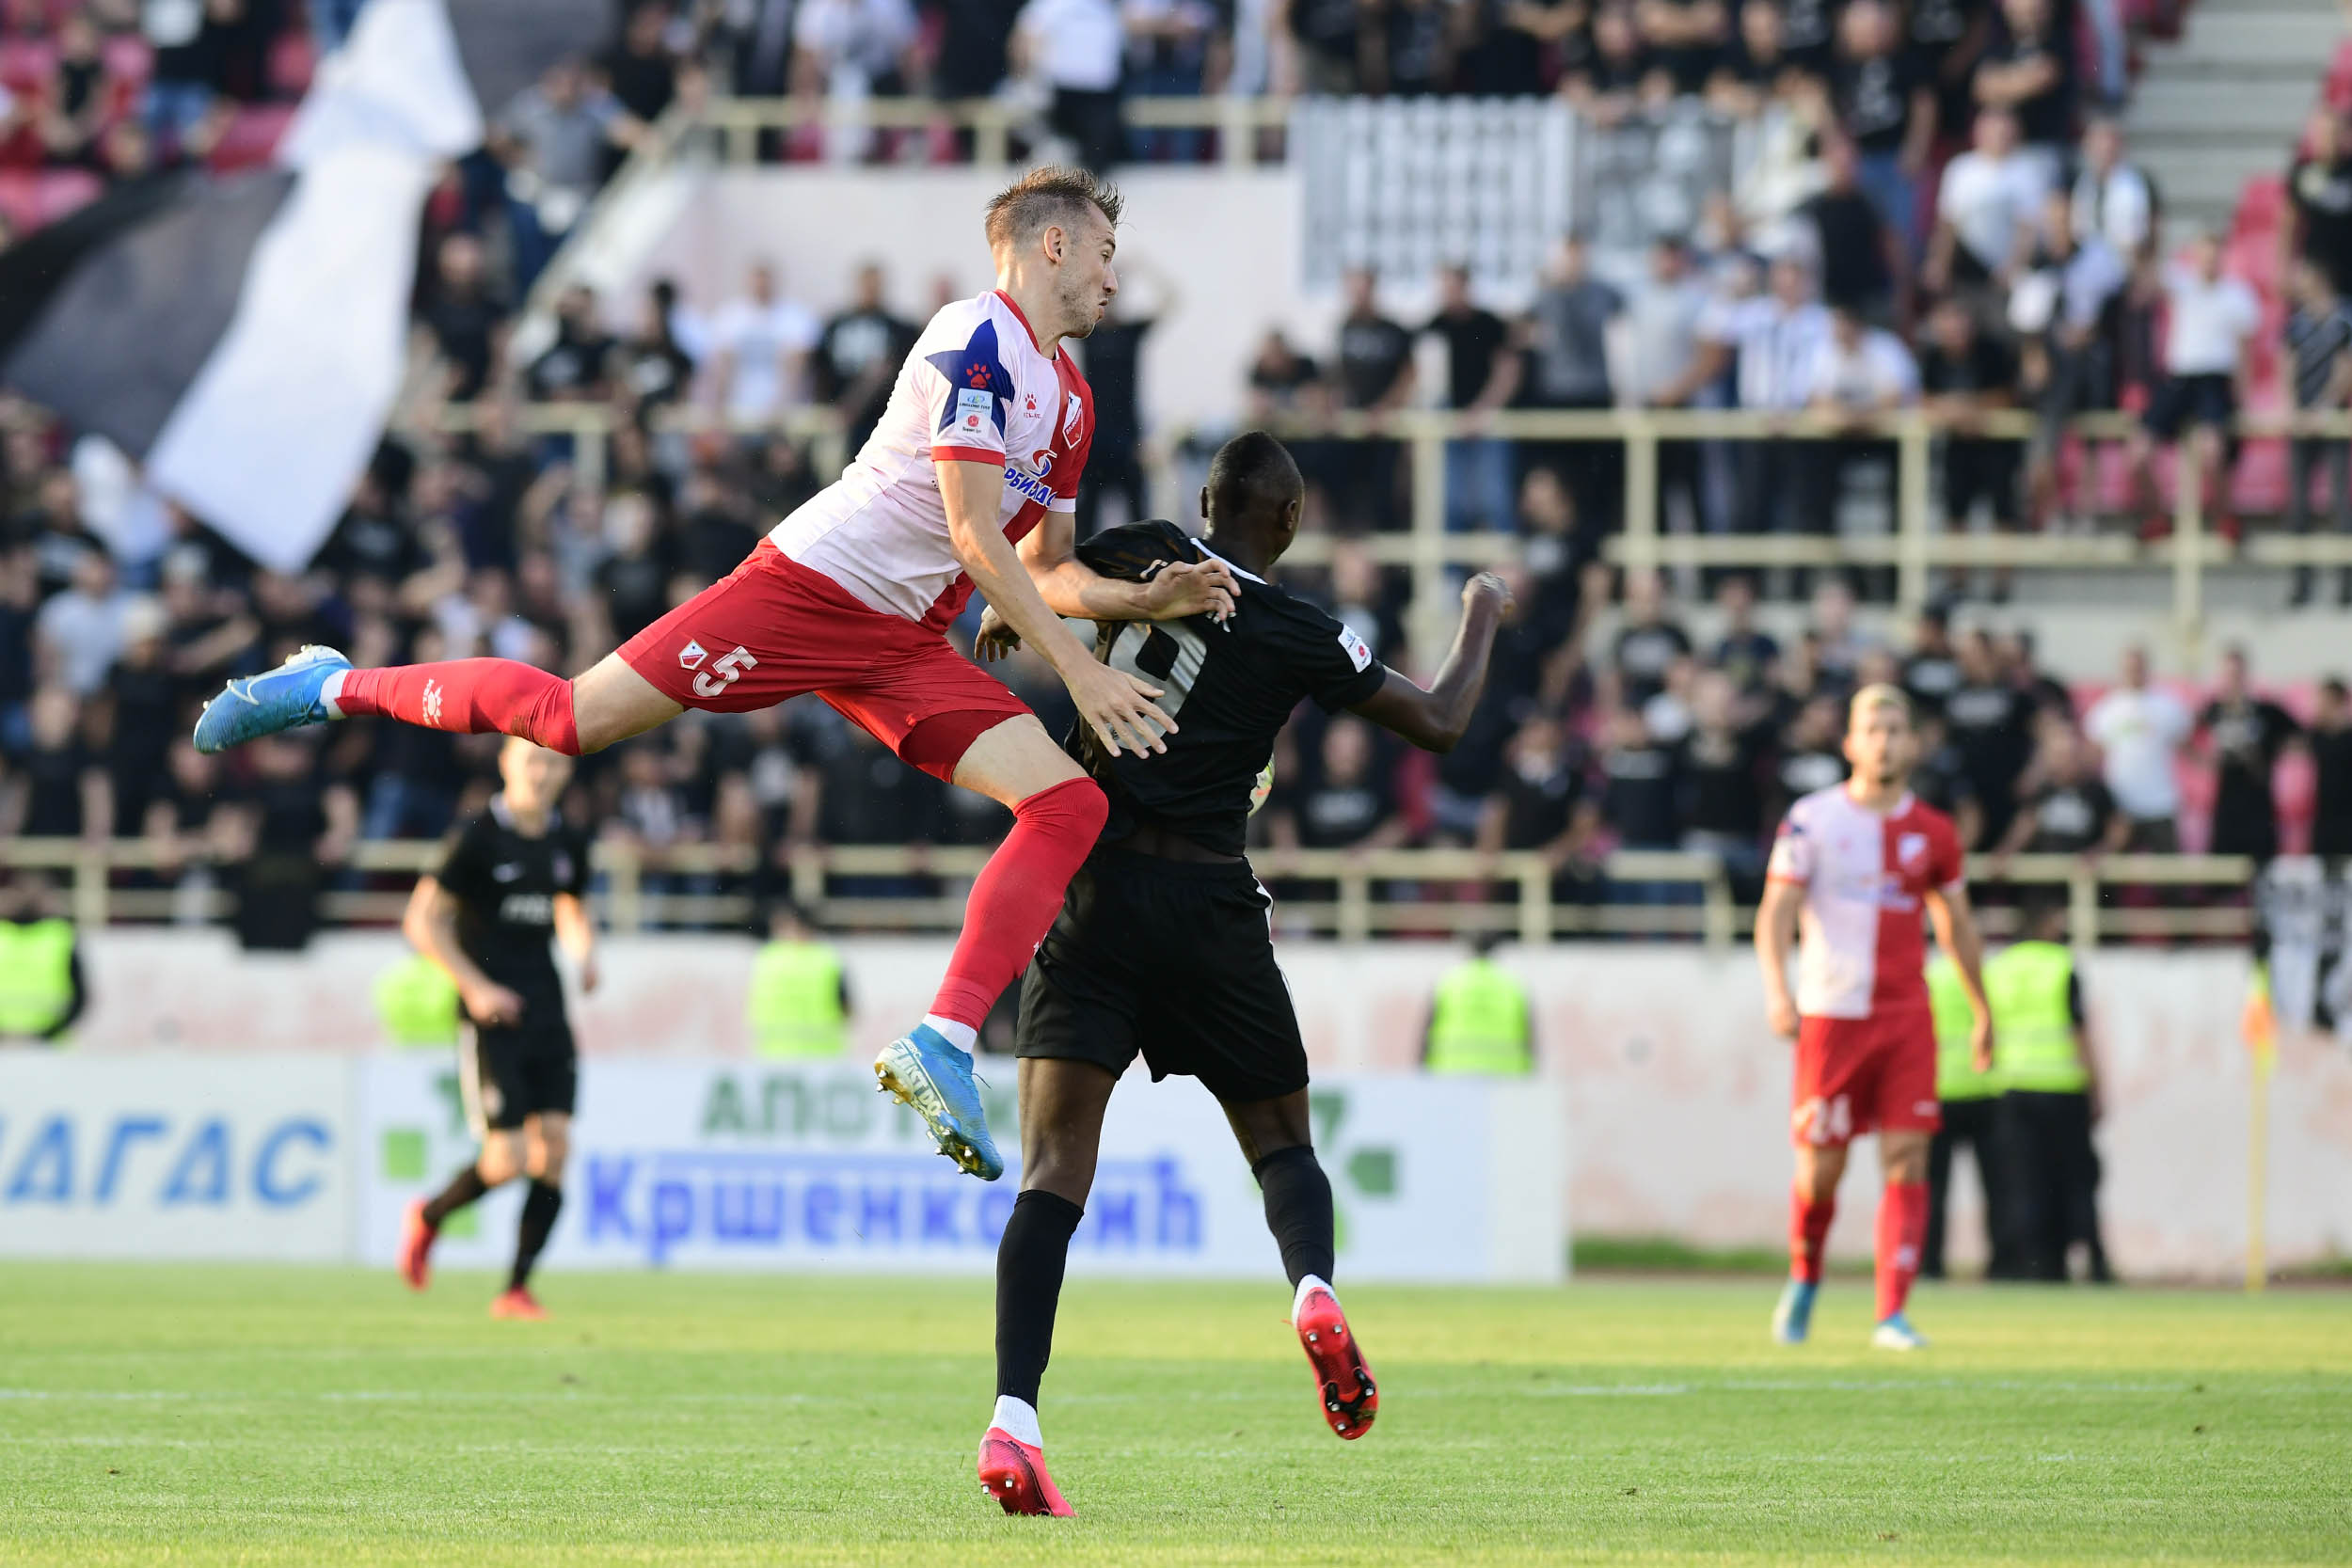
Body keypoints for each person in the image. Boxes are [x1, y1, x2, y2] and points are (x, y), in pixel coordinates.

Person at [195, 168, 1240, 1186]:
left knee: (1065, 803)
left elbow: (1045, 567)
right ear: (1051, 244)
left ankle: (945, 1041)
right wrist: (1078, 675)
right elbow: (976, 536)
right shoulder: (975, 344)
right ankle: (331, 684)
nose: (1113, 276)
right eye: (1104, 252)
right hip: (809, 586)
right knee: (569, 719)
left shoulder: (1071, 399)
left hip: (898, 641)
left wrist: (1147, 602)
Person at [966, 432, 1512, 1513]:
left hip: (1095, 891)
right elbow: (1441, 721)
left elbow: (1045, 580)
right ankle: (1311, 1286)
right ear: (1292, 524)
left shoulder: (1143, 552)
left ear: (1207, 500)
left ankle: (1013, 1419)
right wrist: (1485, 607)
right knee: (1281, 1145)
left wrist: (1022, 611)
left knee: (1052, 1171)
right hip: (1211, 907)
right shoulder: (1306, 628)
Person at [1756, 684, 1994, 1351]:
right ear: (1850, 743)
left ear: (1914, 743)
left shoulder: (1935, 832)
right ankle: (1805, 1276)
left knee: (1908, 1157)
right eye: (1873, 728)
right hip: (1831, 1015)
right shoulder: (1812, 818)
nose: (1885, 740)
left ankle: (1891, 1312)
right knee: (1820, 1172)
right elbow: (1775, 913)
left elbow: (1957, 927)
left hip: (1904, 1016)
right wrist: (1778, 990)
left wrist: (1982, 1009)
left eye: (1896, 728)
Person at [396, 739, 599, 1320]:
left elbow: (571, 908)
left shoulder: (568, 838)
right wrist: (474, 986)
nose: (542, 773)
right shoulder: (476, 836)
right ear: (507, 764)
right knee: (507, 1158)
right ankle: (430, 1215)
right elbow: (422, 921)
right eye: (532, 761)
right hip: (490, 1016)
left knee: (555, 1149)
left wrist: (585, 954)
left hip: (548, 1010)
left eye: (554, 763)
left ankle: (515, 1289)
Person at [1986, 897, 2110, 1282]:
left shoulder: (1998, 969)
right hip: (2061, 1087)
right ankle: (2092, 1265)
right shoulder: (2061, 966)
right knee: (2076, 1181)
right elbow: (2079, 1032)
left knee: (2024, 1182)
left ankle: (2032, 1267)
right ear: (2047, 924)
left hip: (2012, 1087)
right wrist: (2097, 1086)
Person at [2124, 233, 2260, 542]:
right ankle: (2157, 515)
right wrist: (2142, 240)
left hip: (2215, 380)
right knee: (2138, 452)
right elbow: (2146, 280)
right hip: (2179, 379)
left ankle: (2225, 514)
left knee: (2211, 451)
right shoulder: (2182, 285)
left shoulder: (2237, 295)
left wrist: (2243, 395)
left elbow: (2245, 351)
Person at [1922, 946, 2012, 1279]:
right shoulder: (1989, 974)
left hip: (1938, 1090)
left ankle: (1928, 1265)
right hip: (1984, 1088)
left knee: (1932, 1189)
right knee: (1997, 1188)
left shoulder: (1929, 974)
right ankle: (2003, 1264)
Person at [2082, 645, 2191, 850]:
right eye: (2129, 668)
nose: (2134, 673)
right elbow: (2093, 755)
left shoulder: (2168, 705)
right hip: (2122, 804)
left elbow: (2187, 747)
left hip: (2161, 803)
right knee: (2115, 873)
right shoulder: (2106, 709)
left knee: (2169, 875)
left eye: (2138, 667)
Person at [2199, 646, 2299, 864]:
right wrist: (2207, 760)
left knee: (2262, 867)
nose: (2232, 680)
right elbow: (2185, 739)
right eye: (2228, 674)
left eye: (2236, 673)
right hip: (2228, 799)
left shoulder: (2265, 710)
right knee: (2224, 868)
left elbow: (2298, 737)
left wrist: (2269, 755)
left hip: (2258, 800)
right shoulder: (2214, 709)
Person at [746, 899, 853, 1058]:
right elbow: (847, 1009)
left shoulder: (766, 958)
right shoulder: (828, 959)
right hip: (822, 1054)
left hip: (773, 1054)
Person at [1423, 931, 1537, 1073]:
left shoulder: (1449, 982)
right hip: (1505, 1071)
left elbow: (1427, 1031)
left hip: (1451, 1070)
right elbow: (1529, 1035)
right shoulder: (1513, 984)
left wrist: (1422, 1071)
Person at [0, 872, 86, 1044]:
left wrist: (47, 1035)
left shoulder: (61, 934)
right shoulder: (62, 934)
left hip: (50, 1048)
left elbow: (81, 997)